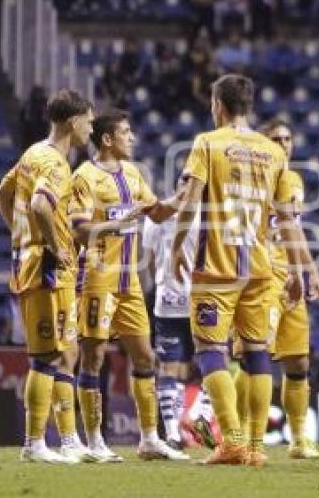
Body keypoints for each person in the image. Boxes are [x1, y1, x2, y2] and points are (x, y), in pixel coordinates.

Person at [172, 73, 319, 467]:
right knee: (258, 355)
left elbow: (188, 201)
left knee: (210, 352)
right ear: (249, 106)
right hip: (259, 269)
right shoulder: (272, 154)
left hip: (216, 268)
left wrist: (175, 246)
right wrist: (305, 268)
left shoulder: (208, 143)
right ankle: (255, 447)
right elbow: (287, 220)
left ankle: (233, 441)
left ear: (217, 104)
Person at [70, 109, 188, 462]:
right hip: (96, 278)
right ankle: (93, 441)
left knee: (145, 357)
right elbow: (78, 229)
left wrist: (190, 193)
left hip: (129, 281)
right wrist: (120, 222)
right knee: (92, 359)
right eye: (126, 132)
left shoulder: (134, 174)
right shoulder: (85, 178)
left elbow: (158, 212)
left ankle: (149, 439)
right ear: (107, 139)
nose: (132, 137)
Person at [0, 89, 95, 463]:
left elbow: (1, 196)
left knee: (66, 352)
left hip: (33, 261)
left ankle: (67, 439)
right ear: (73, 121)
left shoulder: (32, 153)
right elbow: (38, 204)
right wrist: (51, 244)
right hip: (46, 268)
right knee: (47, 356)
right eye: (88, 119)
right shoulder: (53, 163)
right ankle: (34, 443)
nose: (90, 127)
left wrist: (20, 236)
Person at [233, 118, 319, 460]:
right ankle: (240, 435)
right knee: (253, 356)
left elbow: (293, 229)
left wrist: (304, 269)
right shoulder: (252, 179)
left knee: (298, 360)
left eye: (288, 138)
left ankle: (300, 438)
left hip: (289, 275)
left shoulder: (294, 180)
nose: (284, 144)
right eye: (276, 138)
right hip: (261, 273)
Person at [142, 177, 216, 451]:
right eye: (185, 178)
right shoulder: (208, 215)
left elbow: (148, 262)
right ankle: (180, 429)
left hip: (183, 301)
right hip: (187, 302)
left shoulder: (158, 217)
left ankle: (190, 422)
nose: (188, 183)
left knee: (209, 361)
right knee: (198, 362)